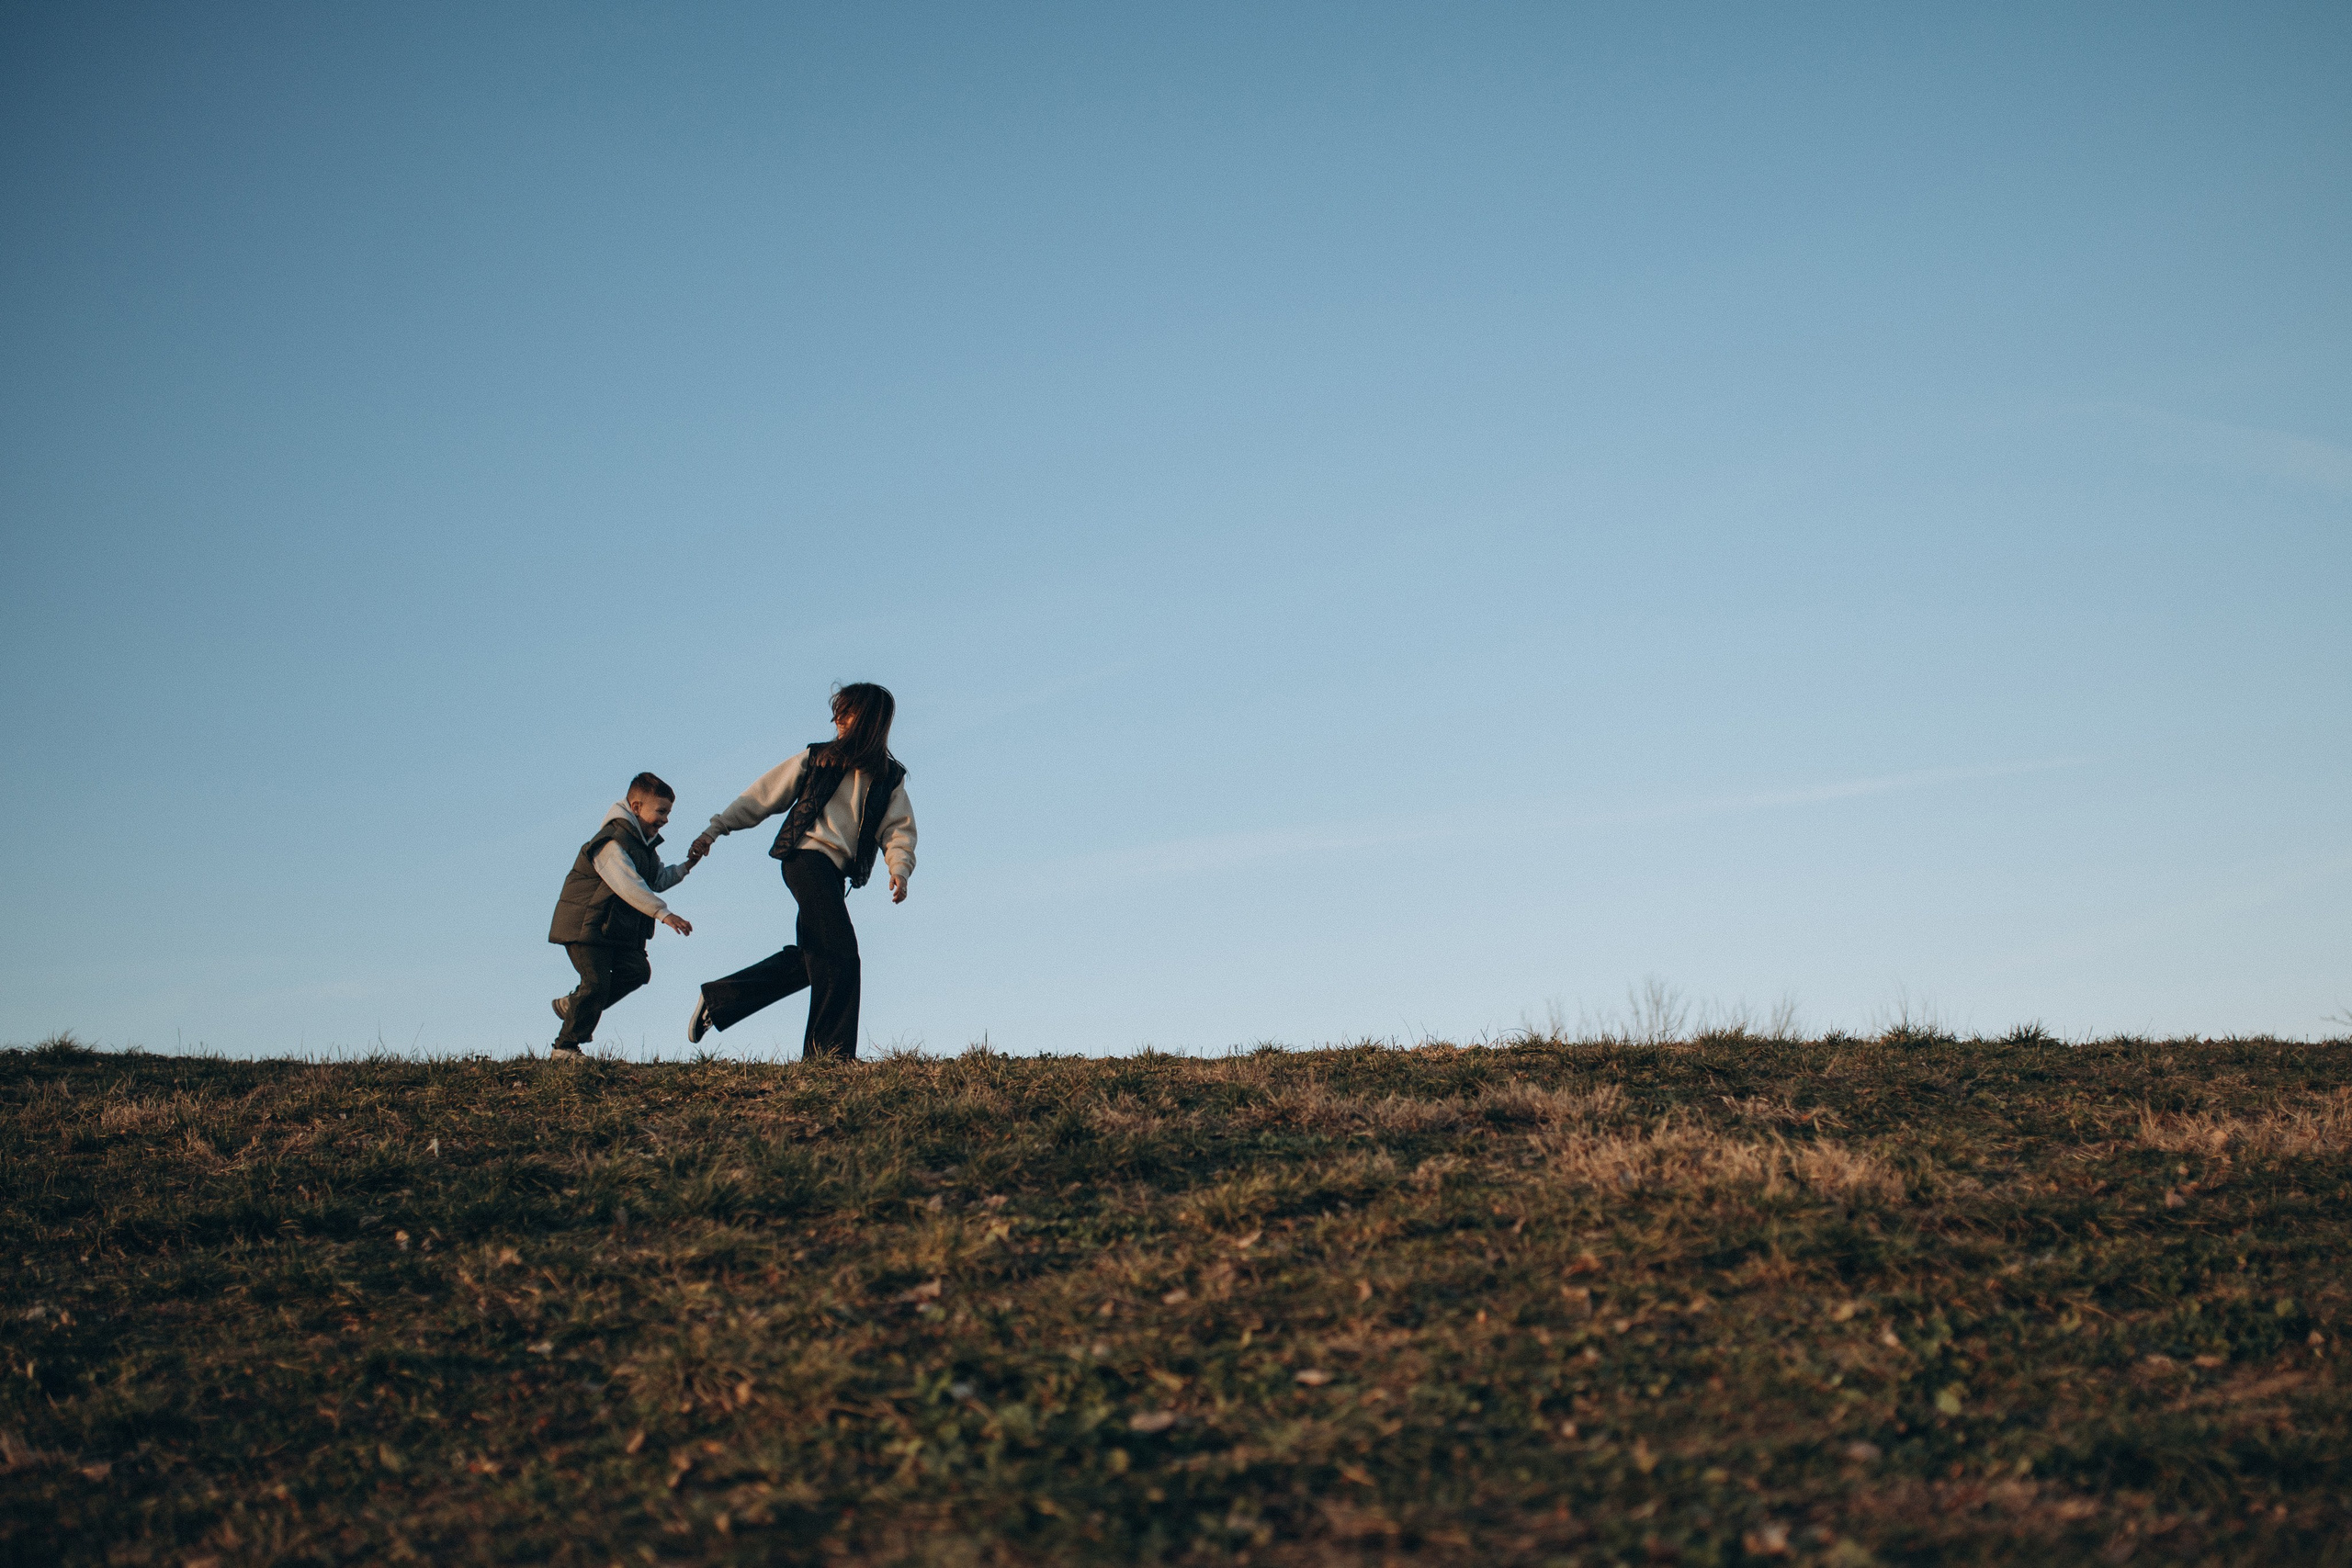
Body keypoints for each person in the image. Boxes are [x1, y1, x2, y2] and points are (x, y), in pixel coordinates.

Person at [686, 682, 915, 1059]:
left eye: (847, 712)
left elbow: (898, 829)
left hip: (834, 874)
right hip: (805, 860)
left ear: (871, 720)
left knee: (815, 959)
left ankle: (720, 999)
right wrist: (716, 829)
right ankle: (830, 1058)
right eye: (836, 711)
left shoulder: (889, 777)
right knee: (842, 957)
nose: (836, 719)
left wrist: (900, 868)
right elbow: (761, 796)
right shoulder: (818, 758)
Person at [545, 772, 697, 1057]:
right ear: (637, 807)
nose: (666, 819)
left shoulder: (645, 848)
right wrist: (664, 914)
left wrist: (688, 865)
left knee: (636, 972)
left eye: (669, 813)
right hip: (586, 926)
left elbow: (655, 879)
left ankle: (576, 1004)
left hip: (613, 929)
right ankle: (564, 1048)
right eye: (661, 811)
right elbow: (629, 884)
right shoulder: (611, 843)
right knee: (596, 983)